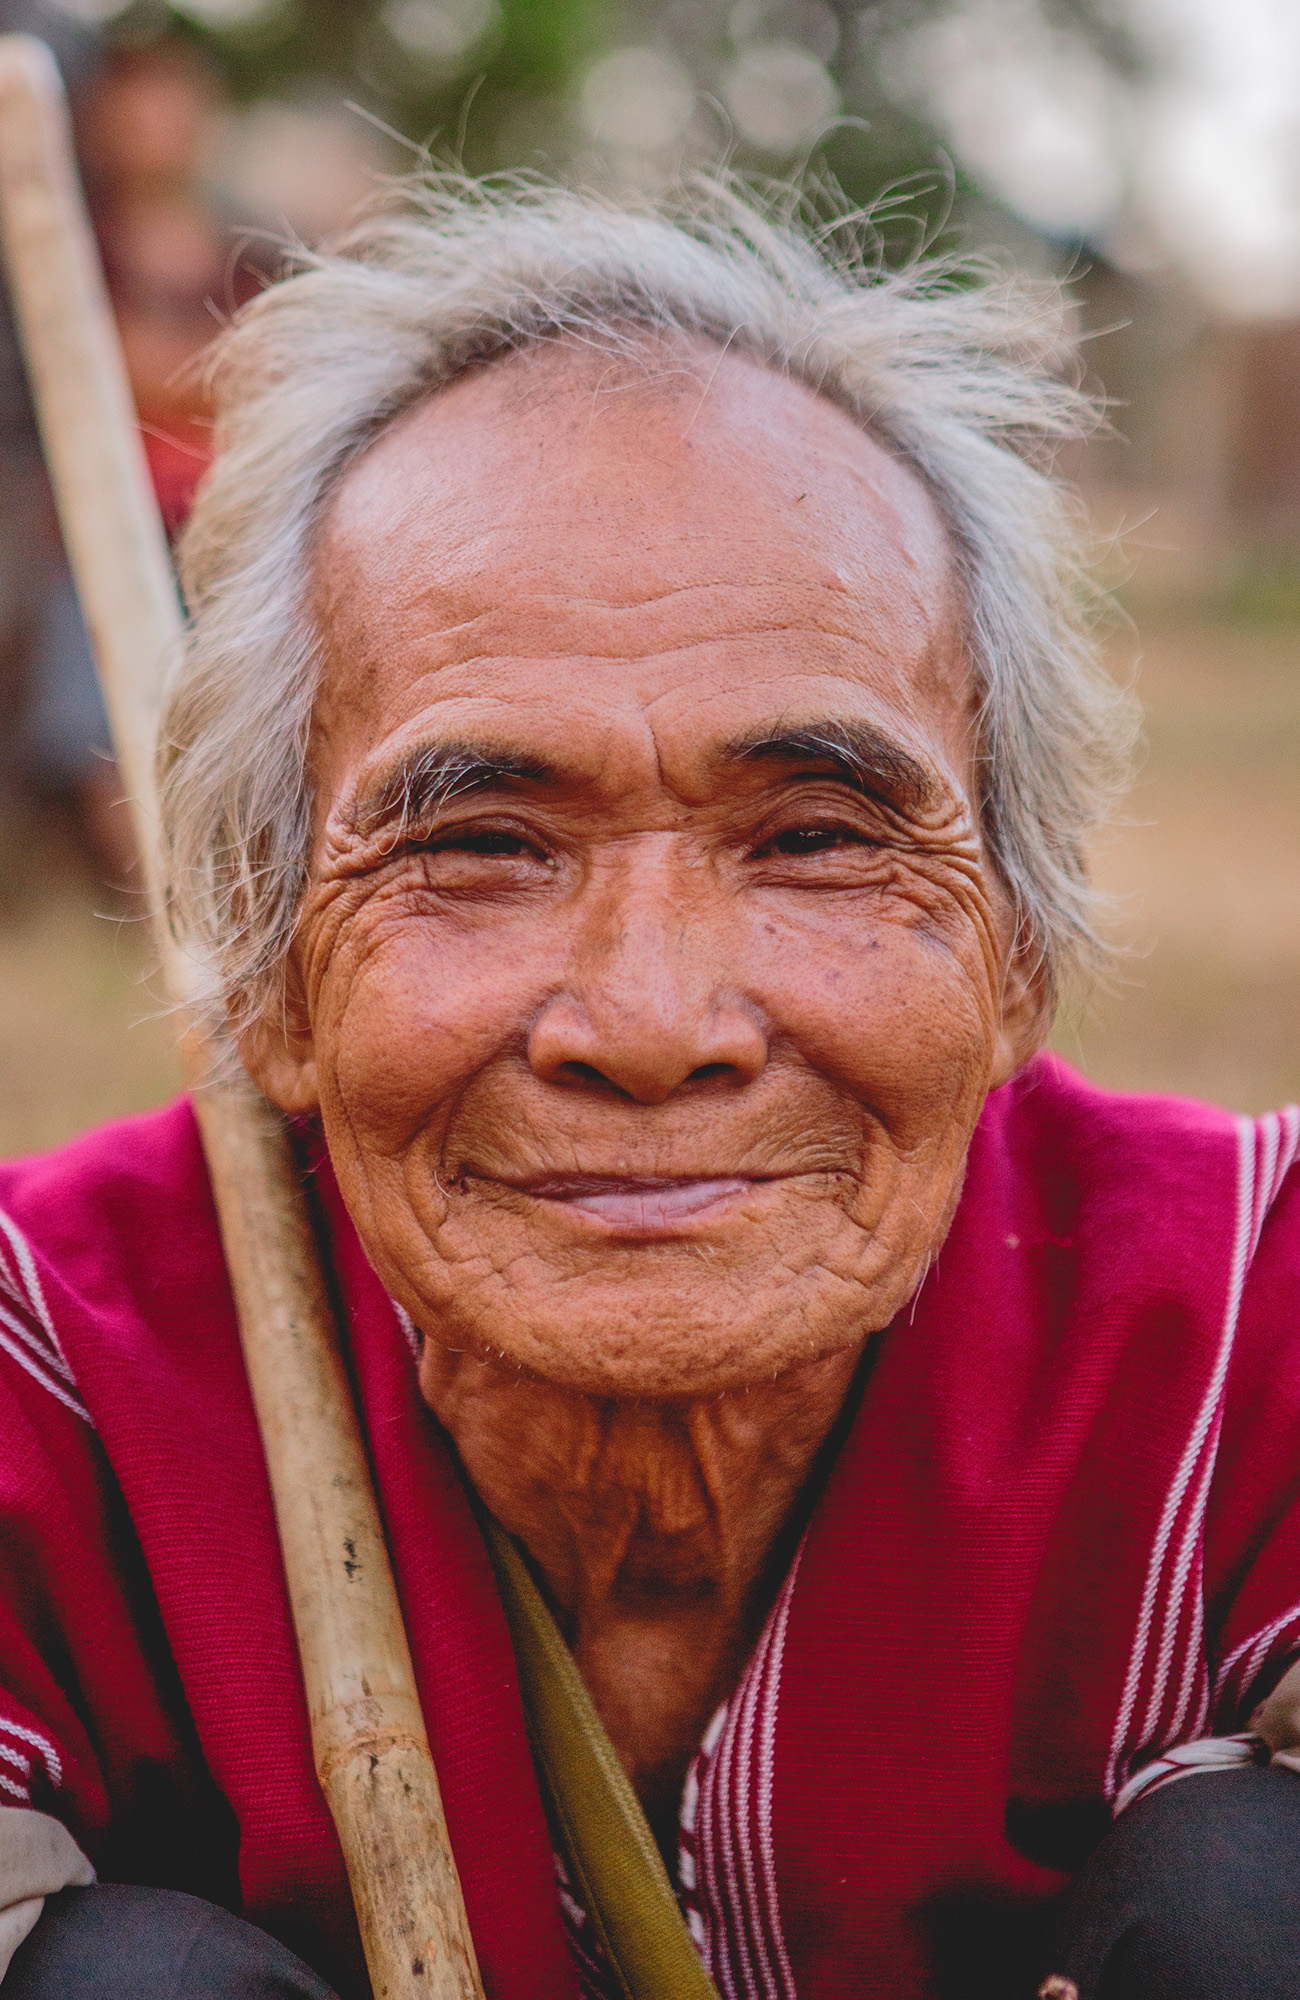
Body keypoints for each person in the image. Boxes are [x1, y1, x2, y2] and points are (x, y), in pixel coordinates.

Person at [0, 180, 1297, 2000]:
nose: (652, 1015)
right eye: (486, 842)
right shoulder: (48, 1359)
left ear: (1019, 950)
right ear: (268, 985)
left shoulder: (1255, 1309)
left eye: (820, 837)